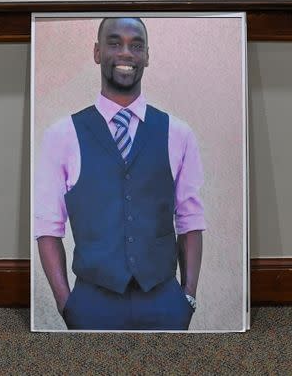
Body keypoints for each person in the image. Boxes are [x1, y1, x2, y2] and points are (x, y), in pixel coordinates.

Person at [35, 17, 205, 330]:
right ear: (97, 52)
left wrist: (188, 297)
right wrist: (66, 303)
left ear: (147, 56)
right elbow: (47, 227)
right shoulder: (61, 135)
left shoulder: (179, 134)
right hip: (91, 303)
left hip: (164, 302)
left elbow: (190, 220)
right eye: (115, 43)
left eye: (136, 45)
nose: (126, 53)